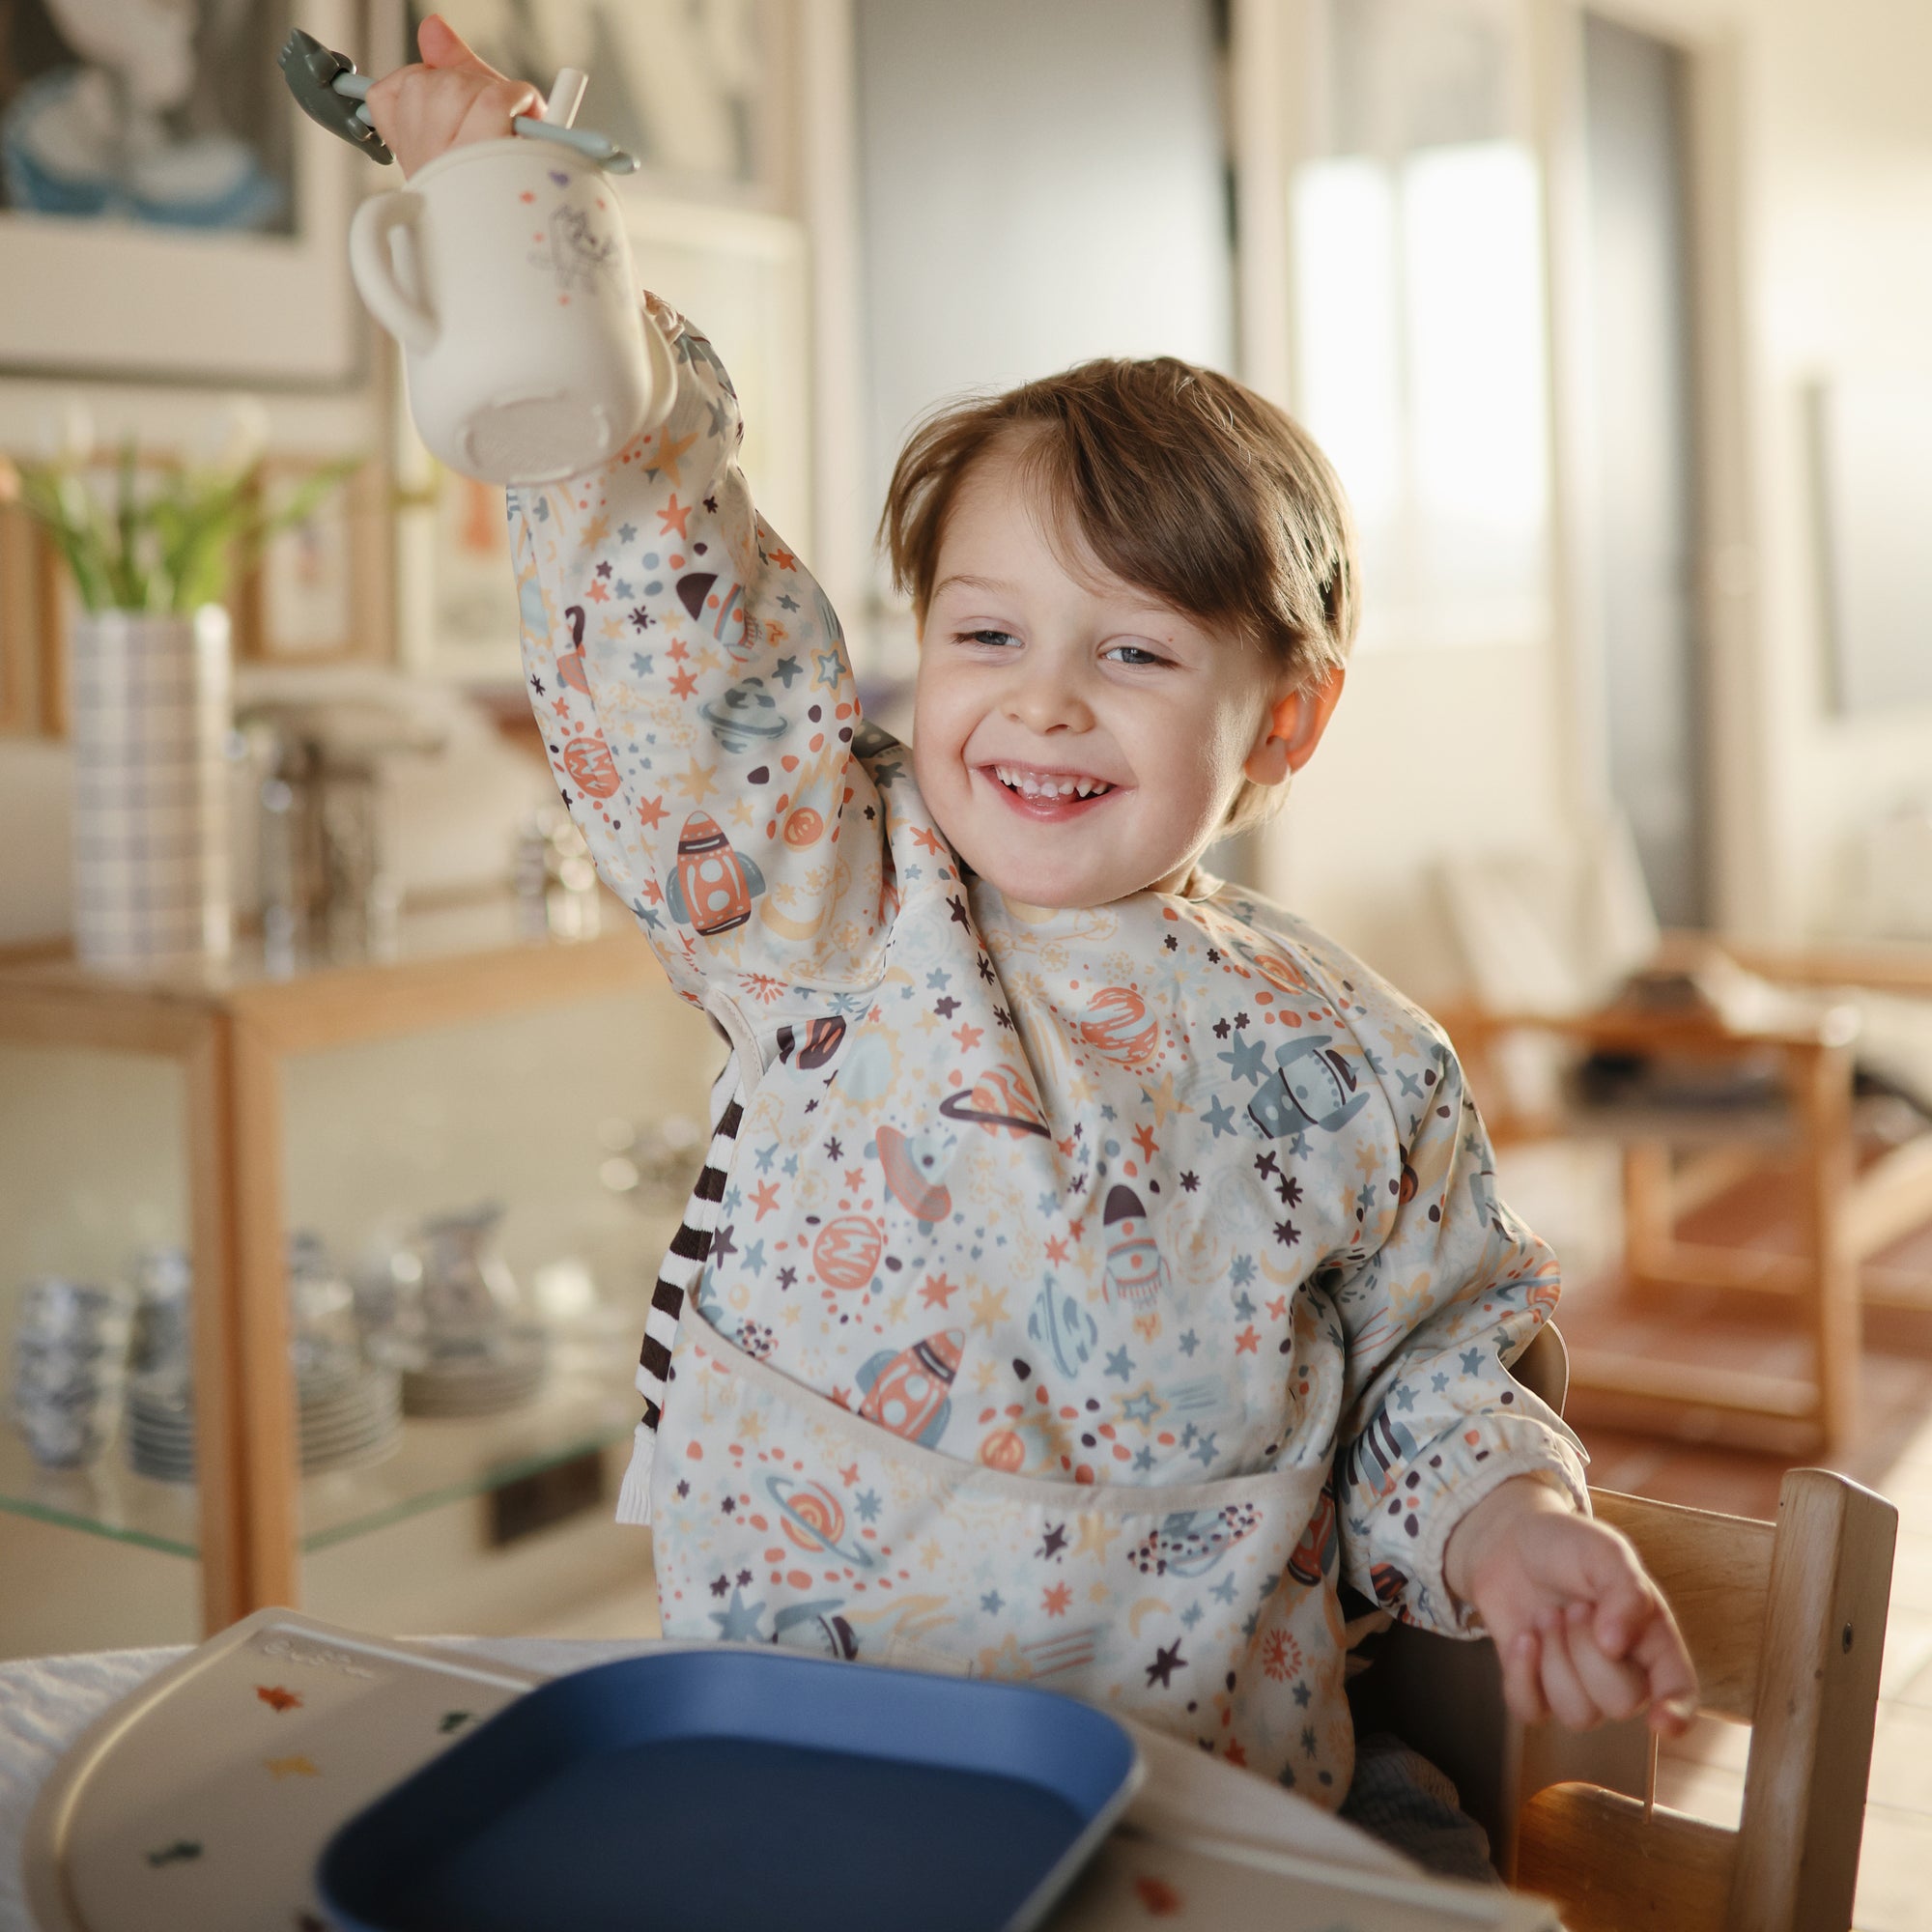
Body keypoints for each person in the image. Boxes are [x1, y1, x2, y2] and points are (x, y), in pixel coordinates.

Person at [369, 14, 1696, 1857]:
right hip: (814, 1781)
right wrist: (523, 241)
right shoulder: (832, 902)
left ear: (1284, 725)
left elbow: (1439, 1375)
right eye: (987, 637)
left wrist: (1512, 1522)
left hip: (1205, 1802)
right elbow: (688, 672)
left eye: (1137, 653)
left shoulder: (1361, 1059)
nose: (1044, 706)